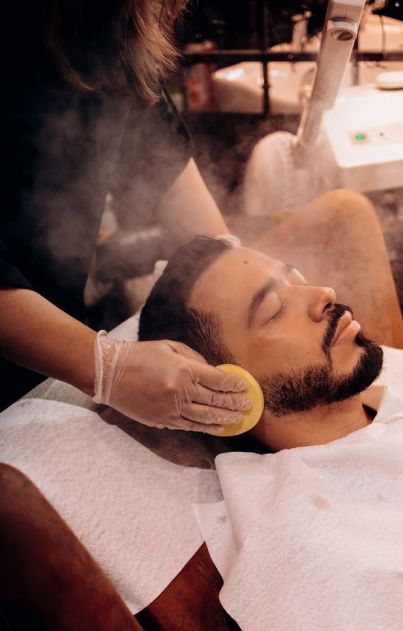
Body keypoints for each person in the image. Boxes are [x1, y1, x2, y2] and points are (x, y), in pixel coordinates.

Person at [138, 234, 403, 631]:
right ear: (220, 390)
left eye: (297, 278)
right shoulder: (302, 559)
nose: (322, 295)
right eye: (275, 310)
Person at [0, 0, 249, 430]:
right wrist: (105, 367)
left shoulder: (113, 23)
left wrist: (234, 267)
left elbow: (160, 157)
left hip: (50, 369)